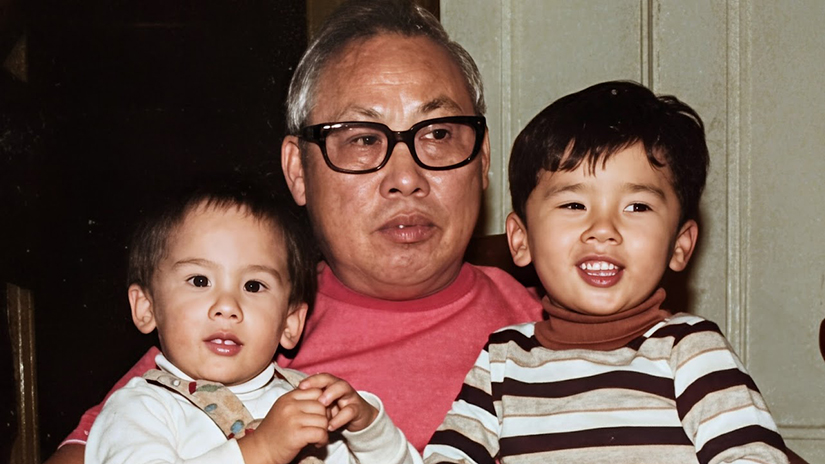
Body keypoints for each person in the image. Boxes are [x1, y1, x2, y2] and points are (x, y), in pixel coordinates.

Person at [46, 1, 542, 462]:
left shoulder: (552, 326)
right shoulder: (245, 320)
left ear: (483, 160)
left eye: (438, 134)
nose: (407, 179)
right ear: (298, 170)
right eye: (363, 139)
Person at [423, 81, 789, 463]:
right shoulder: (503, 360)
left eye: (637, 207)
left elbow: (755, 456)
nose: (603, 229)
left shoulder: (690, 351)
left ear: (680, 245)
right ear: (521, 240)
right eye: (574, 204)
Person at [85, 177, 421, 464]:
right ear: (146, 307)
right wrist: (259, 450)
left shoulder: (309, 404)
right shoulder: (141, 410)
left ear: (290, 322)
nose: (227, 306)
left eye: (253, 286)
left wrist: (369, 430)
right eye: (200, 281)